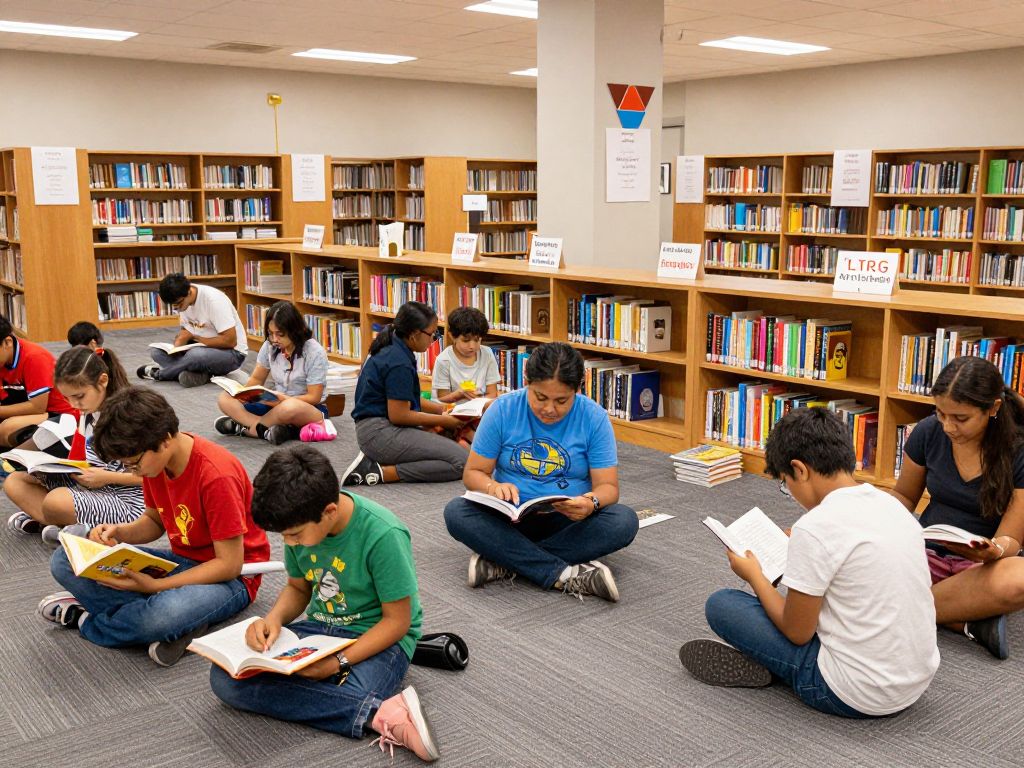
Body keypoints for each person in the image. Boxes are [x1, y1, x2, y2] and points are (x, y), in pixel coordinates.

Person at [680, 407, 939, 718]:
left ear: (799, 470)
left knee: (722, 604)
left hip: (851, 693)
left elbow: (797, 631)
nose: (789, 492)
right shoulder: (892, 506)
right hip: (915, 683)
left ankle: (777, 668)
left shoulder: (815, 528)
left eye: (785, 484)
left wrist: (755, 577)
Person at [208, 445, 439, 762]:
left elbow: (397, 623)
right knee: (225, 680)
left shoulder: (383, 533)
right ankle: (378, 711)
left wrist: (338, 662)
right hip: (320, 630)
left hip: (380, 639)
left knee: (347, 685)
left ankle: (373, 710)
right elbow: (297, 588)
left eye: (295, 535)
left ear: (329, 511)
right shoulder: (301, 525)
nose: (289, 543)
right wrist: (273, 619)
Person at [38, 386, 270, 667]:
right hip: (184, 562)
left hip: (233, 578)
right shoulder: (154, 465)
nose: (133, 472)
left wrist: (157, 586)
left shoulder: (216, 475)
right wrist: (119, 532)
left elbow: (229, 565)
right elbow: (153, 522)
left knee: (163, 615)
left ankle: (89, 619)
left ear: (166, 439)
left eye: (134, 464)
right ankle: (174, 625)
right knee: (63, 560)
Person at [443, 342, 638, 601]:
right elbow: (473, 473)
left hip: (567, 522)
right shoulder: (502, 410)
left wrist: (591, 503)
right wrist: (493, 487)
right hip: (510, 518)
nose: (549, 409)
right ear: (527, 383)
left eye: (561, 401)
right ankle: (563, 573)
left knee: (623, 521)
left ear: (577, 390)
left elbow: (609, 488)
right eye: (540, 397)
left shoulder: (594, 417)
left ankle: (505, 560)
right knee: (457, 512)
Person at [892, 355, 1024, 660]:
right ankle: (967, 620)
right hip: (927, 552)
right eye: (941, 413)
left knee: (1018, 578)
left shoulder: (1017, 450)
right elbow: (905, 497)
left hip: (982, 567)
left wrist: (993, 550)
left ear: (993, 408)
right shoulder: (928, 431)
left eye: (961, 418)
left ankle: (902, 609)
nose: (948, 426)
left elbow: (1011, 540)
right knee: (856, 559)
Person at [5, 346, 144, 543]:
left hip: (129, 500)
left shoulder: (130, 416)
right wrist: (51, 469)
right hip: (94, 484)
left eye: (78, 396)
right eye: (66, 398)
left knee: (56, 501)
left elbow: (156, 476)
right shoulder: (88, 410)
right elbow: (78, 459)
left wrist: (106, 477)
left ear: (103, 381)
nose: (73, 405)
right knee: (16, 482)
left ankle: (68, 529)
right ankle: (67, 529)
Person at [341, 301, 467, 486]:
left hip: (376, 427)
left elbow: (405, 398)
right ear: (415, 335)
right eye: (432, 334)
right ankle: (381, 471)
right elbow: (400, 415)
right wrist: (444, 420)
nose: (433, 340)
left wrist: (443, 410)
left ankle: (388, 458)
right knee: (462, 462)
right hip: (380, 433)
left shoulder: (393, 342)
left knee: (447, 441)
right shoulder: (398, 361)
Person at [214, 301, 334, 445]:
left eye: (280, 334)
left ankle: (248, 429)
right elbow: (257, 378)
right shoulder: (269, 346)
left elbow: (314, 397)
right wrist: (243, 394)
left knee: (289, 408)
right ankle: (267, 430)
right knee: (224, 399)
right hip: (274, 405)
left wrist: (284, 399)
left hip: (307, 408)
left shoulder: (314, 352)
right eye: (270, 334)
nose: (274, 340)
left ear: (295, 330)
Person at [137, 273, 247, 387]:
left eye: (178, 304)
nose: (176, 309)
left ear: (189, 292)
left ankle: (162, 374)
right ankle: (200, 375)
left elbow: (230, 341)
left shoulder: (214, 301)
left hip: (231, 353)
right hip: (199, 348)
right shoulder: (182, 297)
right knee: (156, 352)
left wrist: (196, 338)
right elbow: (186, 330)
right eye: (173, 306)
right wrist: (178, 344)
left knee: (195, 355)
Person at [0, 314, 76, 447]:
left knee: (6, 428)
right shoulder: (3, 359)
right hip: (30, 411)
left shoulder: (34, 358)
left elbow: (37, 407)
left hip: (59, 414)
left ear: (7, 342)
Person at [431, 306, 499, 403]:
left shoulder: (487, 354)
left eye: (477, 340)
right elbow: (441, 399)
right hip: (452, 413)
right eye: (466, 341)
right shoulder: (444, 360)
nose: (472, 346)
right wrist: (458, 395)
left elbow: (492, 394)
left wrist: (479, 404)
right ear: (452, 336)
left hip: (480, 411)